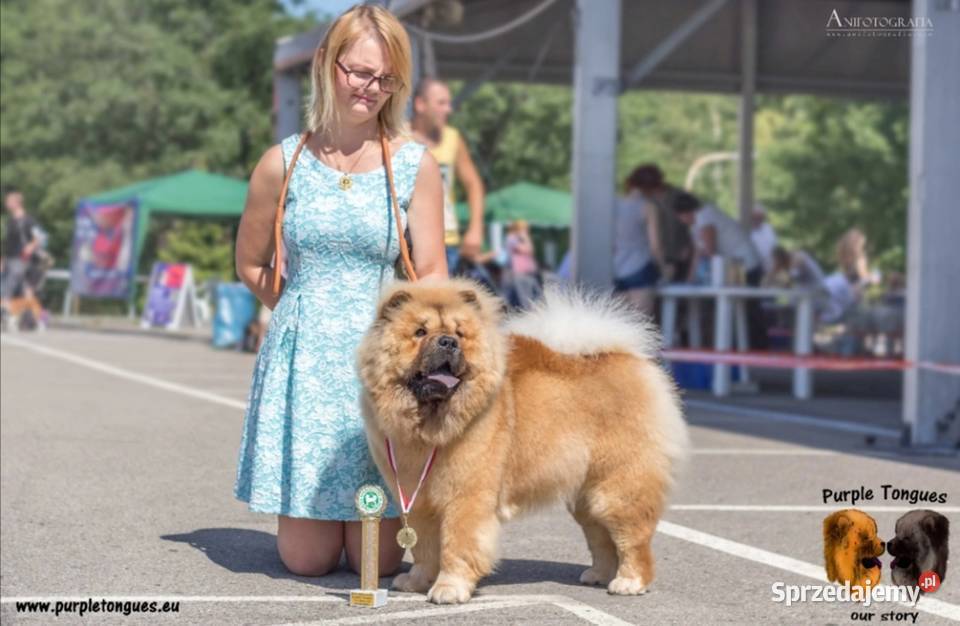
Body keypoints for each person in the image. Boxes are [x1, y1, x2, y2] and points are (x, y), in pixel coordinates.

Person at [233, 5, 446, 579]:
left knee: (377, 562)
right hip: (304, 368)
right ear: (327, 64)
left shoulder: (416, 165)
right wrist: (300, 314)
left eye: (387, 79)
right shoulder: (280, 164)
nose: (371, 89)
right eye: (360, 72)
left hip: (381, 368)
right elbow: (250, 264)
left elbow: (431, 274)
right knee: (308, 561)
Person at [410, 77, 485, 274]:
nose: (448, 110)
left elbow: (473, 184)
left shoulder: (453, 138)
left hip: (446, 241)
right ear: (420, 104)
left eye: (448, 103)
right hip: (407, 241)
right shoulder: (397, 137)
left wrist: (475, 229)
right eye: (441, 103)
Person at [673, 191, 767, 348]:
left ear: (684, 213)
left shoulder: (705, 217)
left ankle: (757, 348)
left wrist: (695, 276)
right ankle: (745, 346)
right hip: (736, 266)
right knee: (743, 311)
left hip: (745, 266)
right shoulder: (697, 224)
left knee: (747, 311)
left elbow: (710, 251)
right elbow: (698, 253)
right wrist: (690, 280)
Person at [625, 164, 691, 282]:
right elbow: (655, 244)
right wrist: (663, 267)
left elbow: (691, 221)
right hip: (649, 261)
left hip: (675, 254)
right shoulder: (646, 204)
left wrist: (688, 245)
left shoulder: (677, 196)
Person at [612, 167, 664, 316]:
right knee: (640, 324)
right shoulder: (648, 207)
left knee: (618, 323)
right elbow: (655, 245)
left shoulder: (614, 204)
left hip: (615, 268)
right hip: (640, 268)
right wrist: (663, 268)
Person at [1, 188, 46, 330]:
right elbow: (8, 243)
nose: (6, 203)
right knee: (25, 291)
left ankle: (9, 318)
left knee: (7, 289)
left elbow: (40, 236)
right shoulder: (10, 221)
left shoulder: (28, 220)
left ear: (16, 203)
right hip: (11, 259)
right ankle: (30, 320)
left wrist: (31, 246)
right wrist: (3, 259)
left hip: (22, 260)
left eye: (8, 201)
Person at [750, 203, 778, 274]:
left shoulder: (769, 229)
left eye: (760, 217)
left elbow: (775, 249)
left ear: (763, 217)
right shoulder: (745, 230)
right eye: (755, 217)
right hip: (751, 270)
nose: (757, 220)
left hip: (768, 270)